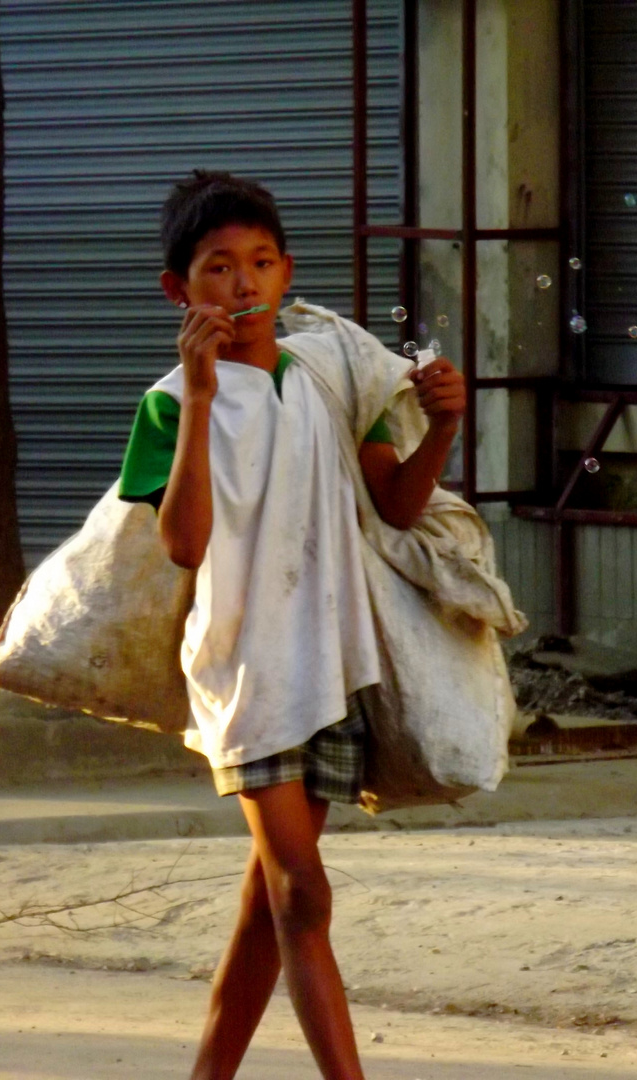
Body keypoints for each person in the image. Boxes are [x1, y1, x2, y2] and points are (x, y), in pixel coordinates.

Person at [116, 170, 466, 1080]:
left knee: (273, 905)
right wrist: (197, 397)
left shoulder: (327, 375)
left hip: (329, 667)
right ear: (177, 292)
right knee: (304, 894)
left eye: (261, 263)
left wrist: (440, 432)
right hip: (244, 676)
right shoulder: (164, 405)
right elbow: (185, 543)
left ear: (286, 272)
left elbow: (393, 504)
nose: (244, 285)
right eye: (219, 268)